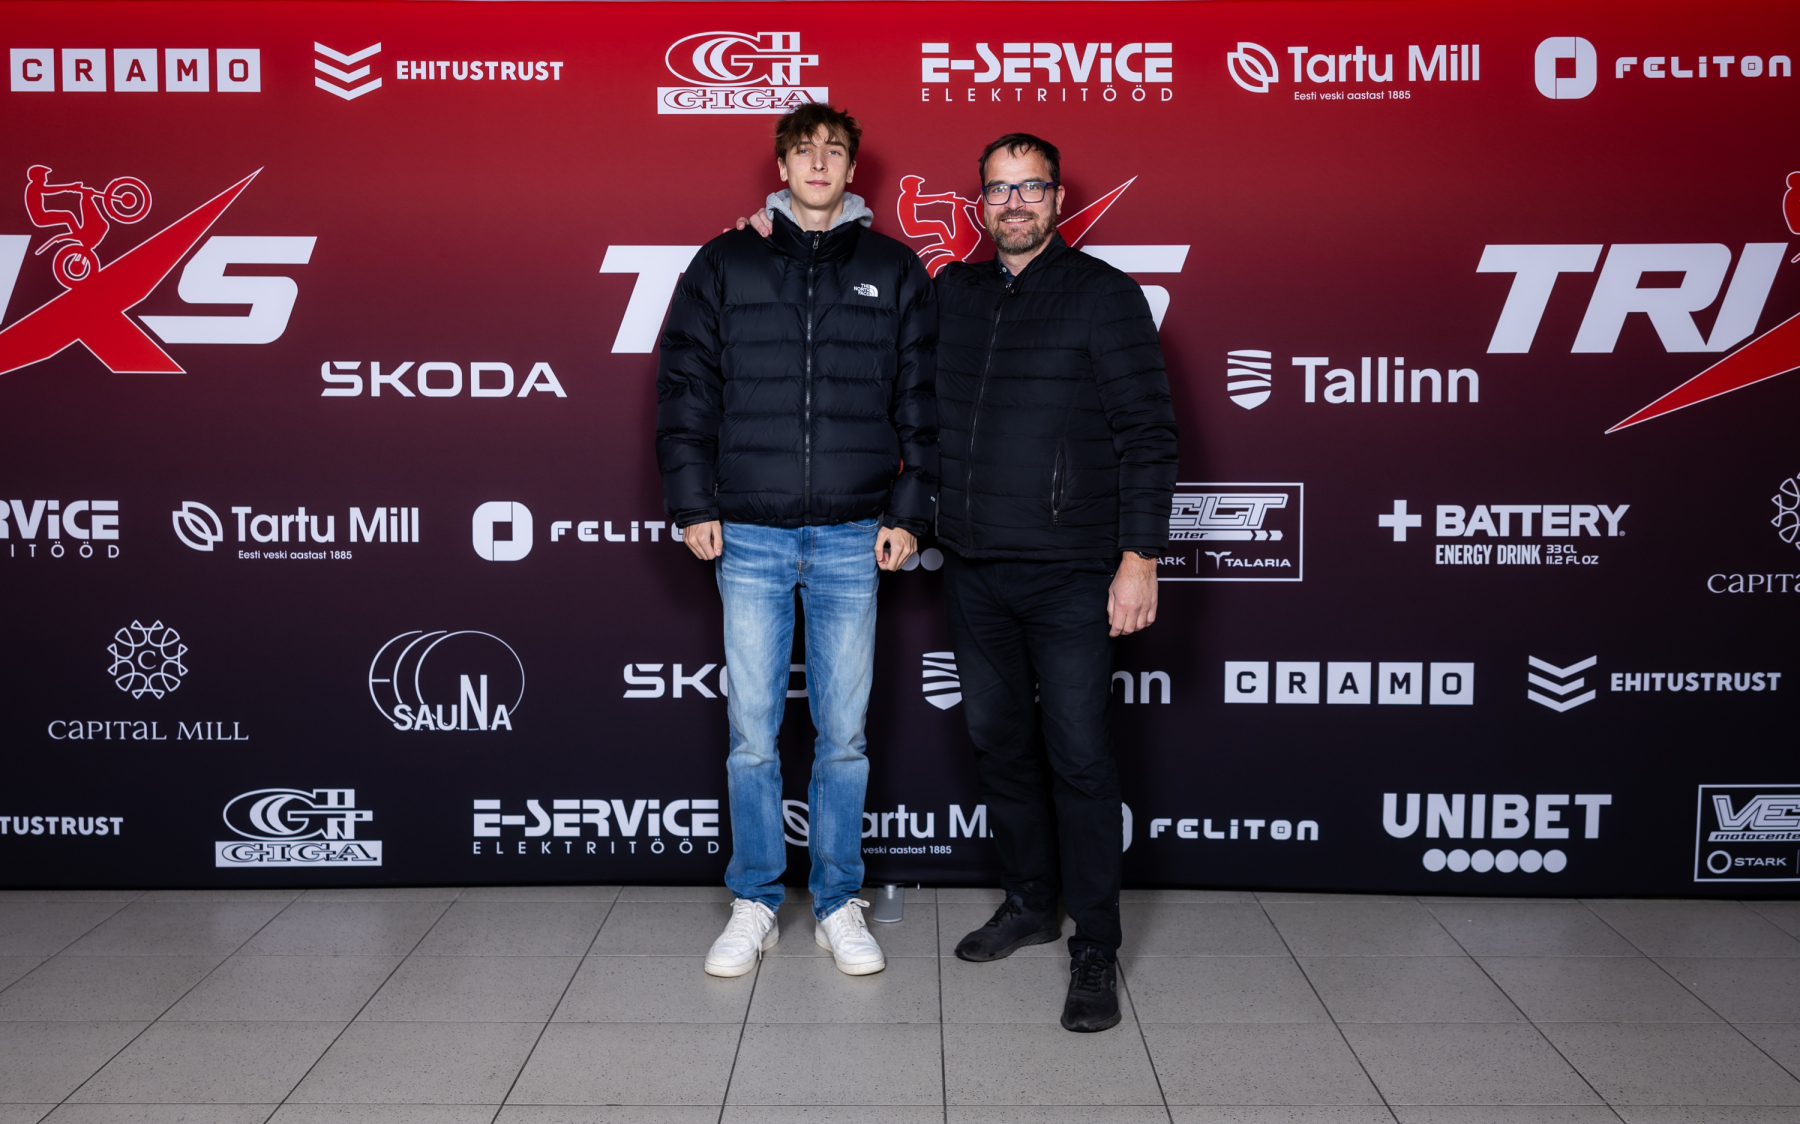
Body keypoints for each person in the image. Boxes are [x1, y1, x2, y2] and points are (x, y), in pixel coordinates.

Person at [742, 132, 1177, 1030]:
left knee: (1080, 756)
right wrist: (767, 233)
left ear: (1058, 199)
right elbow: (865, 340)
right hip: (976, 567)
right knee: (1000, 745)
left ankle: (1094, 943)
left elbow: (1149, 434)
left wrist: (1140, 558)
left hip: (1072, 572)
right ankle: (1031, 902)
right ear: (982, 204)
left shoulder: (1106, 296)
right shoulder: (954, 293)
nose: (1014, 204)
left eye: (1031, 188)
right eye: (999, 190)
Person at [656, 103, 938, 979]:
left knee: (843, 736)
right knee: (752, 735)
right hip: (749, 532)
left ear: (853, 168)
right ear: (781, 166)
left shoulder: (893, 268)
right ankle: (754, 900)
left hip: (855, 534)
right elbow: (686, 389)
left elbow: (922, 404)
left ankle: (839, 901)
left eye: (835, 151)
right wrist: (693, 502)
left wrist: (909, 514)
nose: (819, 163)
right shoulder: (724, 260)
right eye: (804, 150)